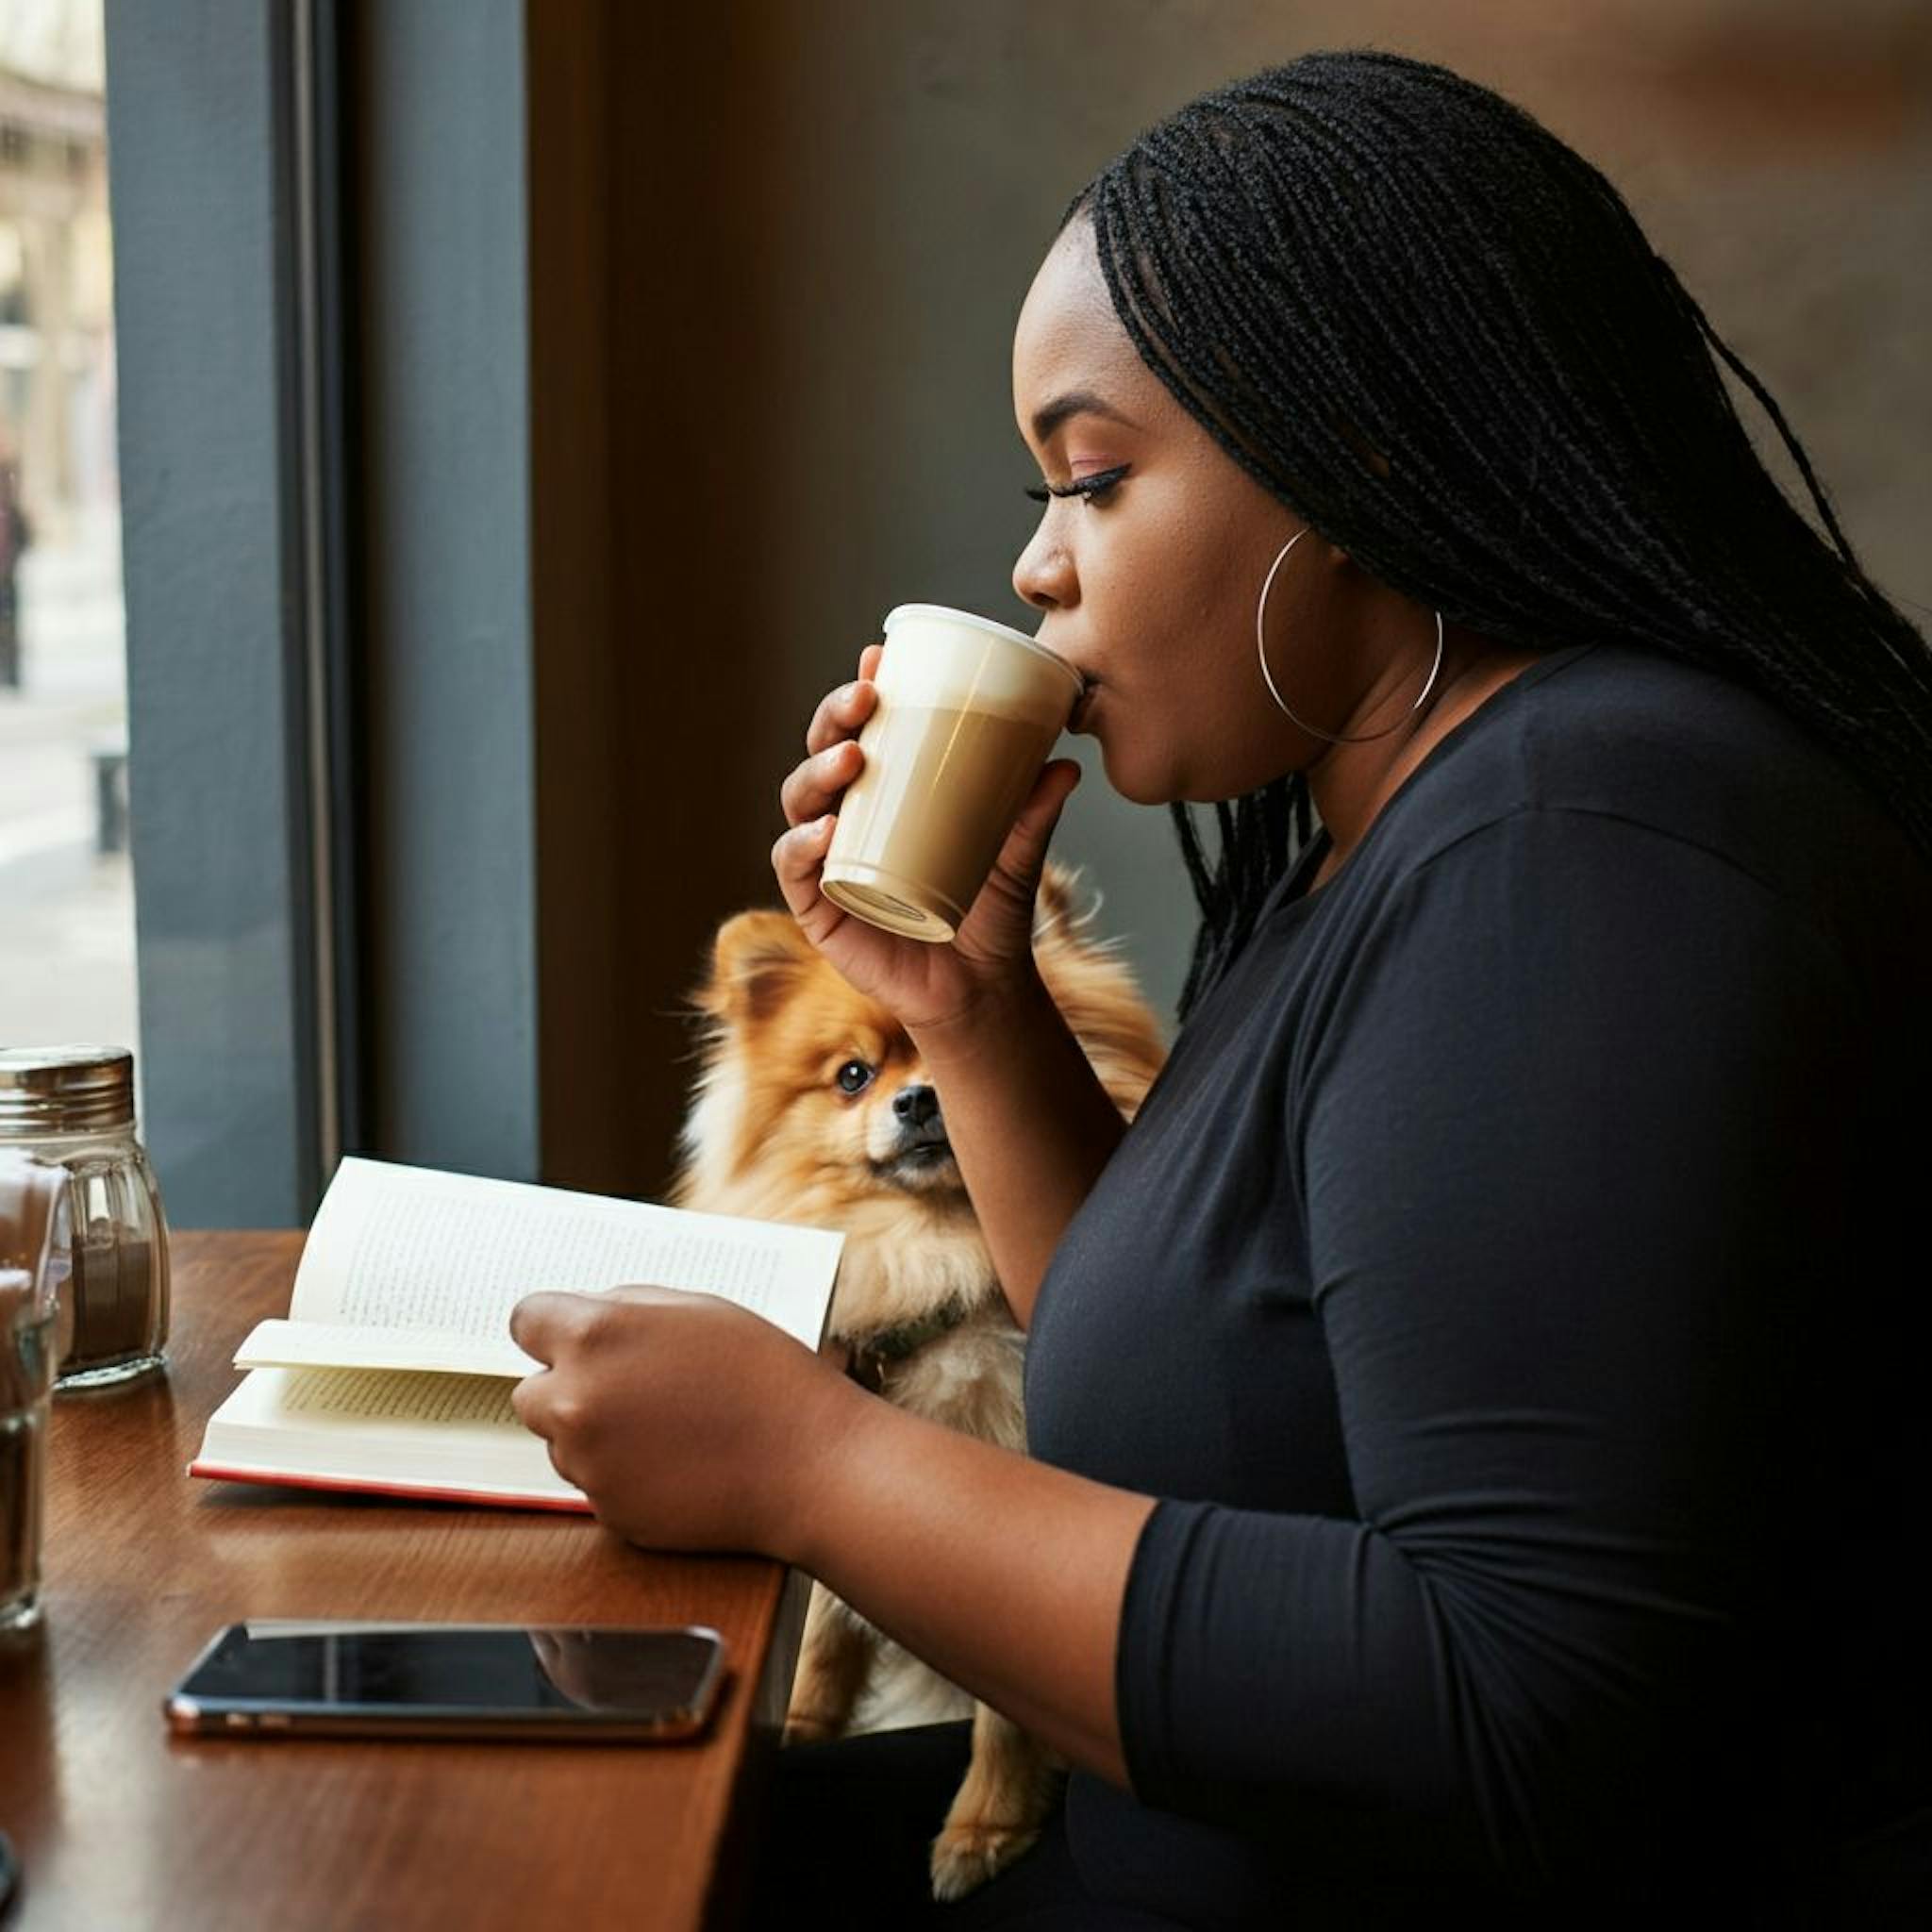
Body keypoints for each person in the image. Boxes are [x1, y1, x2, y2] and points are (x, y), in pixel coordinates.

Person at [508, 51, 1932, 1927]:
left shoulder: (1570, 849)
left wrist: (808, 1463)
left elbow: (1518, 1707)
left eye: (1091, 478)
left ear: (1357, 458)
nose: (1034, 563)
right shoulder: (1384, 830)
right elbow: (1218, 1404)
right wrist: (968, 1005)